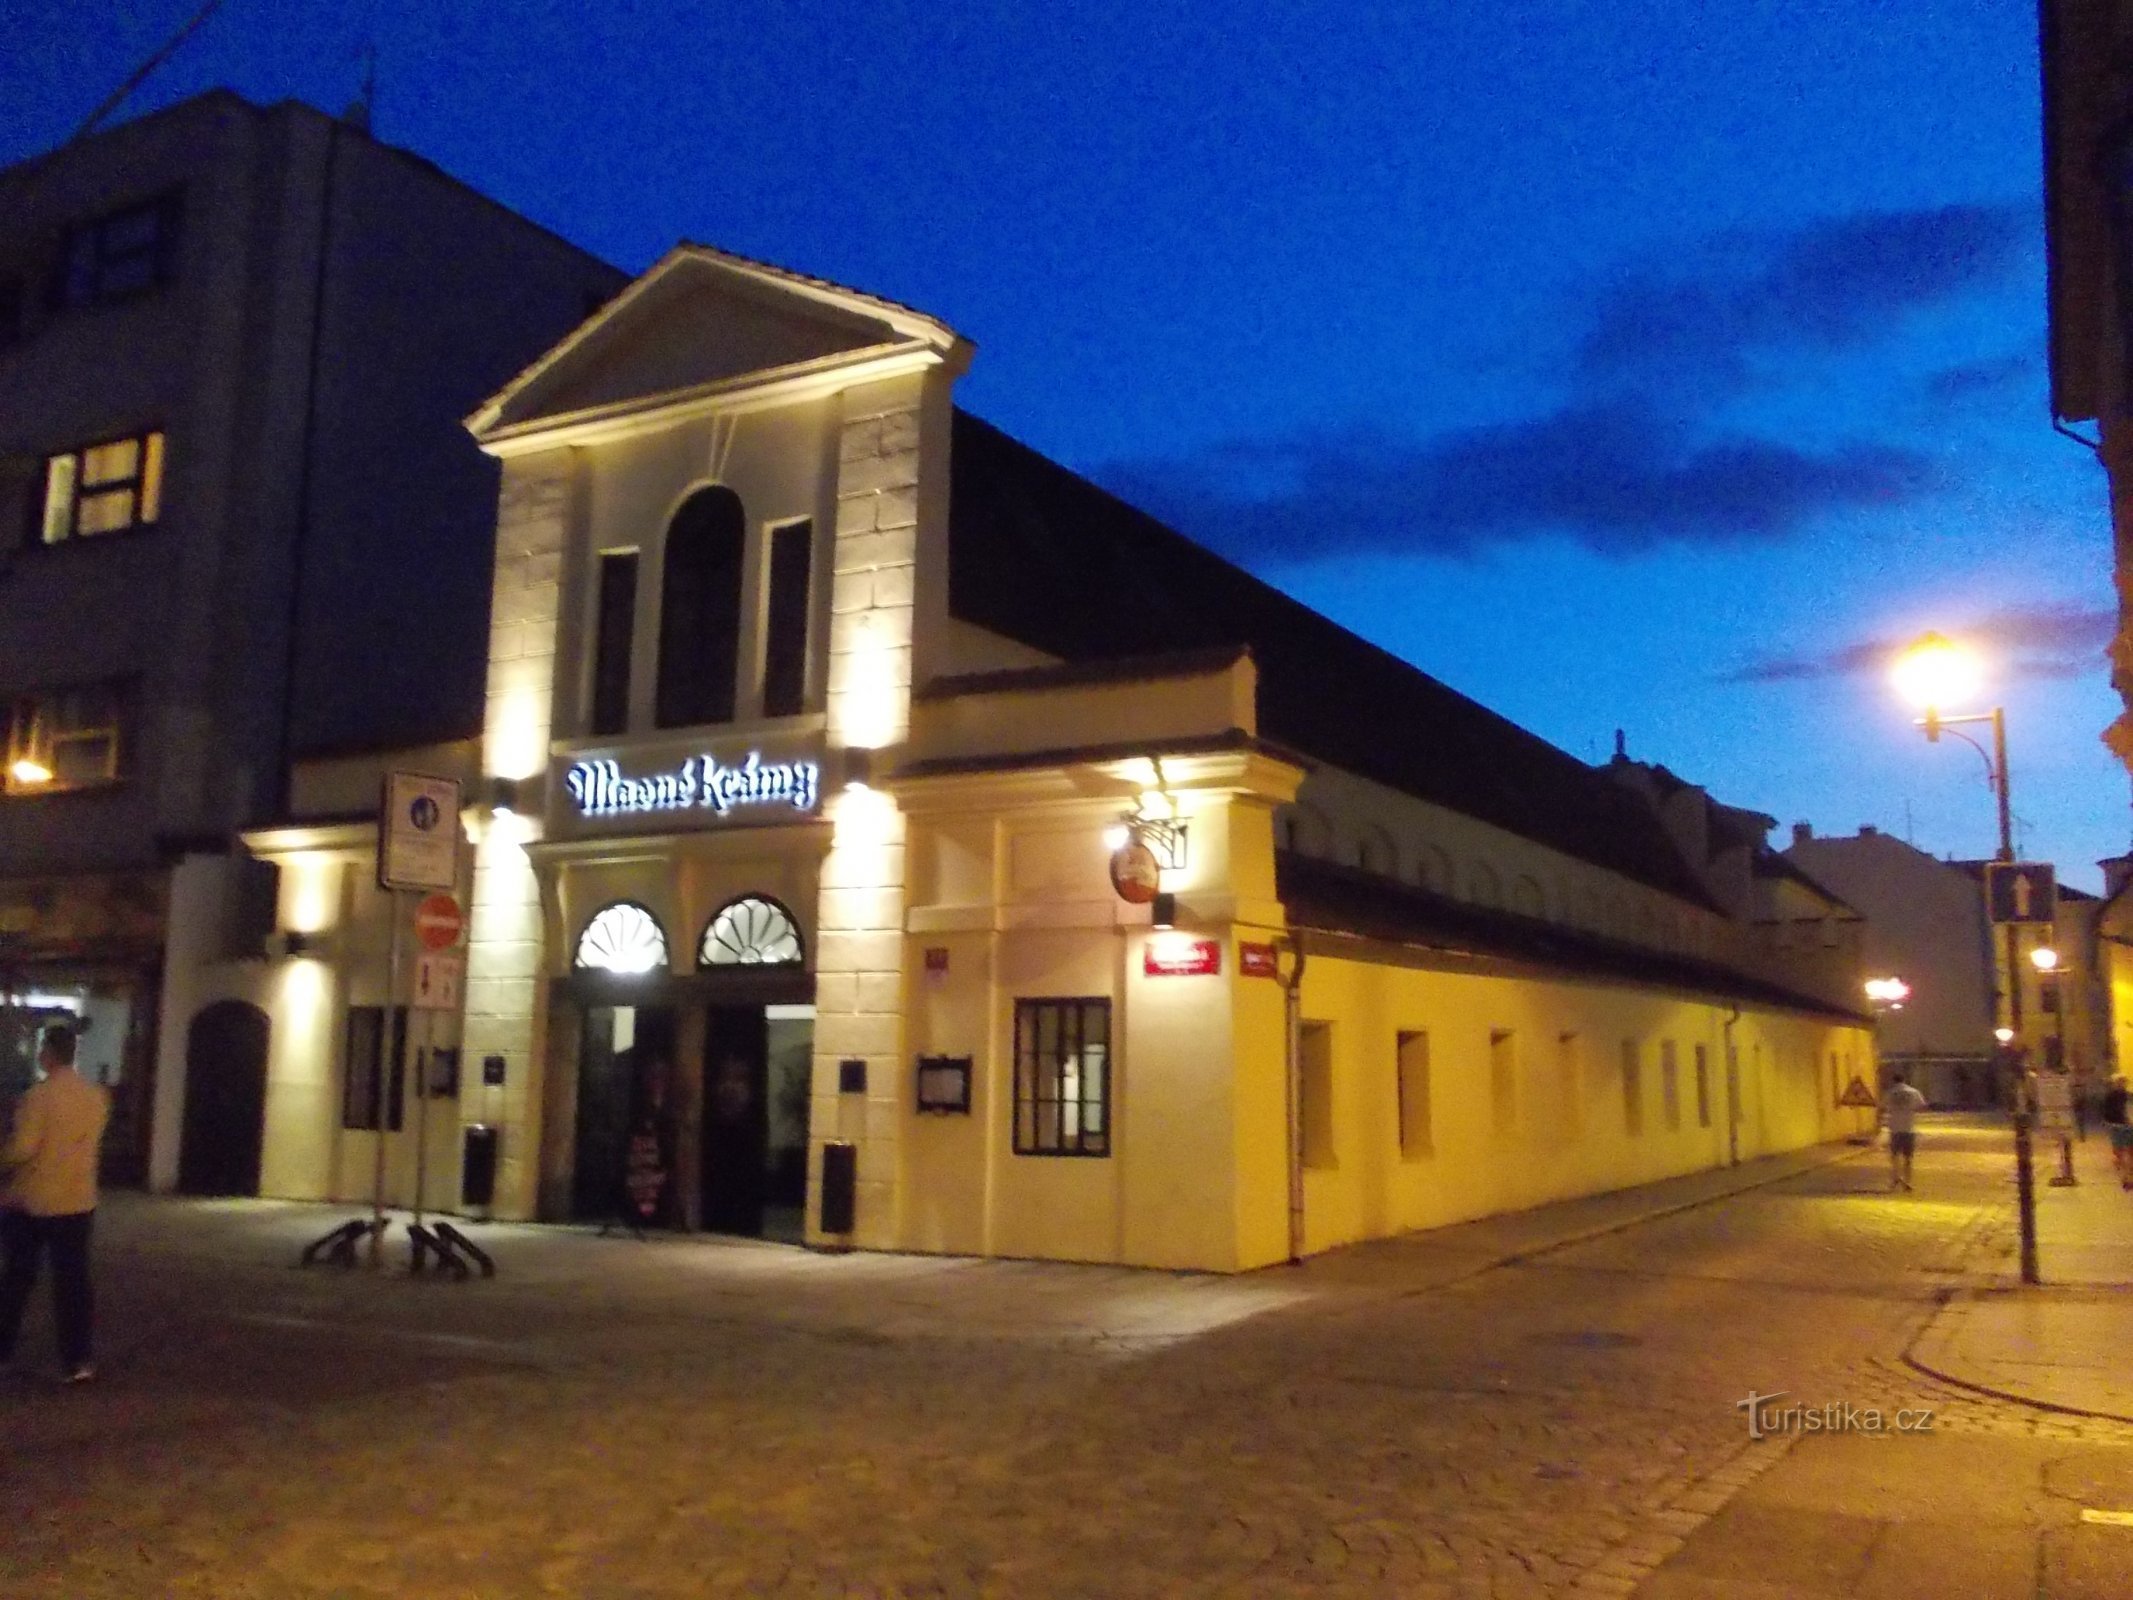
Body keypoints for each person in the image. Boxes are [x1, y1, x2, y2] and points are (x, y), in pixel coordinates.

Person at [0, 1025, 111, 1383]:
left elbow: (24, 1148)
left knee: (18, 1278)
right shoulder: (95, 1096)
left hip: (34, 1200)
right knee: (73, 1282)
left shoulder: (38, 1096)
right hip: (78, 1199)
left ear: (48, 1052)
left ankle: (3, 1350)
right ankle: (78, 1360)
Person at [1881, 1069, 1926, 1192]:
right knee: (1908, 1158)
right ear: (1904, 1080)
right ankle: (1908, 1181)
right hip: (1909, 1128)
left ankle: (1896, 1178)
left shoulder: (1889, 1093)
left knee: (1895, 1156)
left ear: (1893, 1081)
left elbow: (1882, 1106)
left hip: (1895, 1129)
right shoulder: (1914, 1092)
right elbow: (1922, 1106)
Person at [2102, 1074, 2133, 1191]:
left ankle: (2127, 1176)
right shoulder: (2111, 1096)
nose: (2123, 1084)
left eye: (2124, 1082)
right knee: (2120, 1150)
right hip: (2117, 1125)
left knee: (2128, 1150)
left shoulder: (2126, 1095)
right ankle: (2125, 1175)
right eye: (2121, 1082)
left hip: (2125, 1126)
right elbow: (2108, 1112)